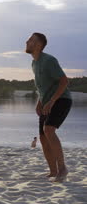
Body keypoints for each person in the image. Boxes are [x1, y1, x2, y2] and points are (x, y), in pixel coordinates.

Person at [25, 33, 72, 182]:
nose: (27, 41)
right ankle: (53, 171)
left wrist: (52, 101)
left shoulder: (49, 60)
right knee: (43, 138)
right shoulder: (34, 63)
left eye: (31, 40)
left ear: (39, 45)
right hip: (46, 102)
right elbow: (42, 87)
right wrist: (40, 102)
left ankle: (63, 169)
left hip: (61, 99)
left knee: (49, 129)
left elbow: (64, 81)